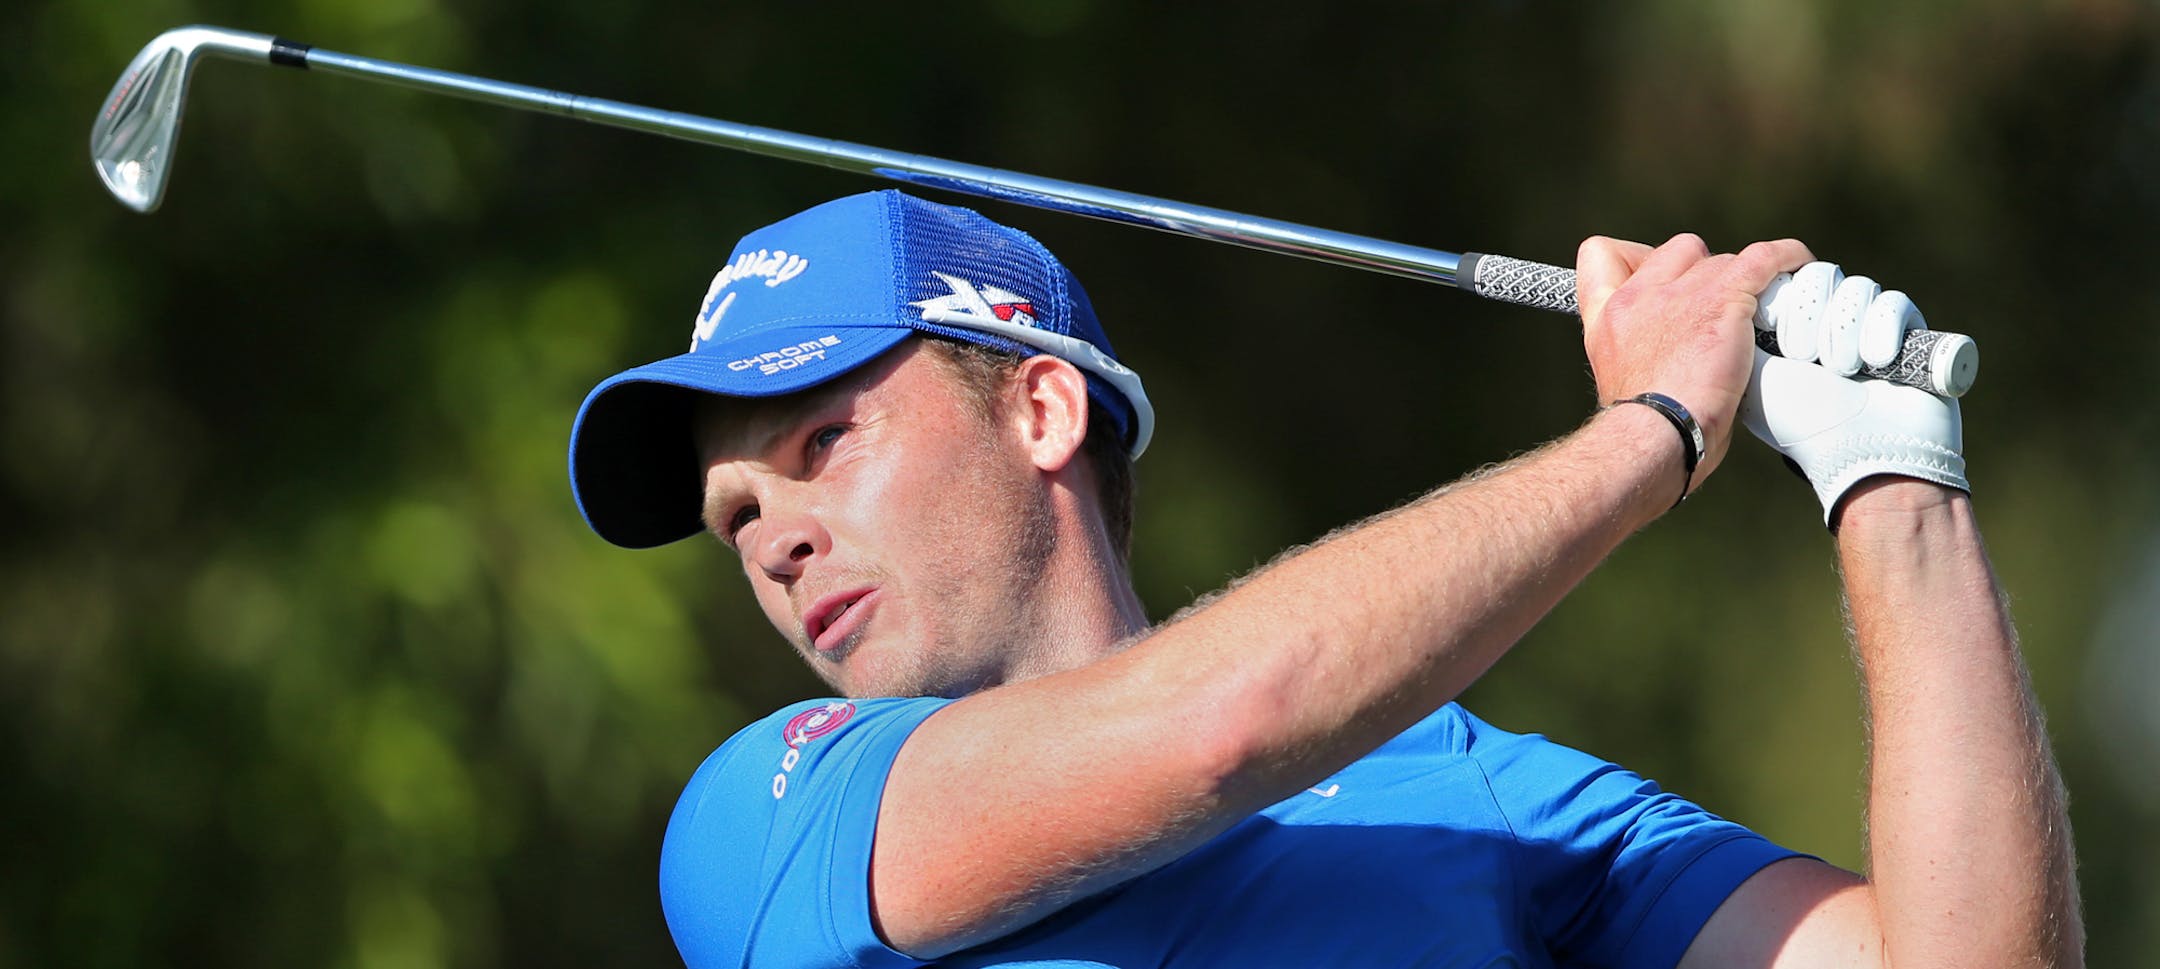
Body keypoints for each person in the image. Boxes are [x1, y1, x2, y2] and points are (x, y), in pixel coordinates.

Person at [567, 191, 2082, 968]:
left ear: (1042, 410)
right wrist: (1654, 430)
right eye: (735, 512)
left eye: (824, 440)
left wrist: (1892, 477)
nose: (772, 536)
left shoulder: (1471, 790)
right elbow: (1216, 725)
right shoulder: (768, 814)